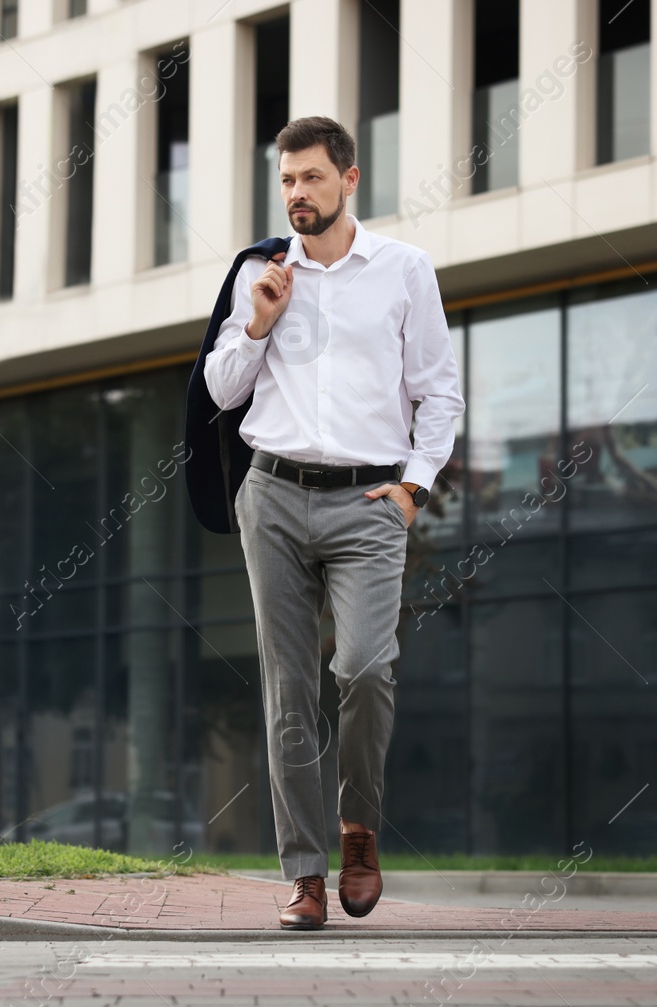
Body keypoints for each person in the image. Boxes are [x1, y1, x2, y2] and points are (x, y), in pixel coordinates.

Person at [188, 116, 463, 930]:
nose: (296, 193)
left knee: (367, 668)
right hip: (271, 495)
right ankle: (304, 872)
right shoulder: (260, 274)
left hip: (369, 503)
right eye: (286, 180)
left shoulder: (405, 272)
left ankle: (359, 829)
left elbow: (438, 392)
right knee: (286, 688)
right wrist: (260, 321)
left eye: (310, 177)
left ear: (348, 179)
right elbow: (221, 391)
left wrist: (415, 486)